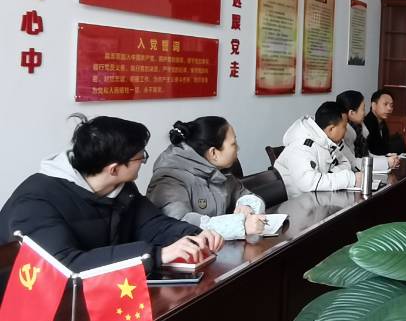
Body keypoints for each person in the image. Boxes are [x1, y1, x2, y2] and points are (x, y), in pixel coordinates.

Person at [0, 115, 222, 272]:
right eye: (140, 157)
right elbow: (63, 266)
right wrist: (157, 255)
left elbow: (153, 225)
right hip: (28, 309)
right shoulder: (36, 200)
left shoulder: (120, 187)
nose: (143, 161)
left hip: (101, 295)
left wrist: (193, 235)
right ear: (113, 169)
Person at [147, 117, 266, 241]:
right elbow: (179, 225)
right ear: (213, 153)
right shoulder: (169, 179)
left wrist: (246, 206)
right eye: (233, 144)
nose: (238, 148)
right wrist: (239, 225)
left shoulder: (219, 171)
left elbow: (247, 195)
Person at [274, 102, 361, 198]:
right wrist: (350, 179)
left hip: (320, 198)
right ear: (331, 129)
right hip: (299, 203)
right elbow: (308, 182)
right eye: (344, 127)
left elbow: (345, 163)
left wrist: (329, 174)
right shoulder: (302, 146)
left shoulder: (327, 141)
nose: (346, 131)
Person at [336, 90, 399, 172]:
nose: (365, 113)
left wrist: (386, 159)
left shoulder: (359, 129)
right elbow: (354, 163)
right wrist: (386, 162)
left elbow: (367, 156)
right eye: (363, 109)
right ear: (352, 113)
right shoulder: (343, 133)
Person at [363, 88, 406, 155]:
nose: (389, 108)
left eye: (391, 105)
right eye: (385, 104)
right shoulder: (366, 124)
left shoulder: (382, 123)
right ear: (374, 105)